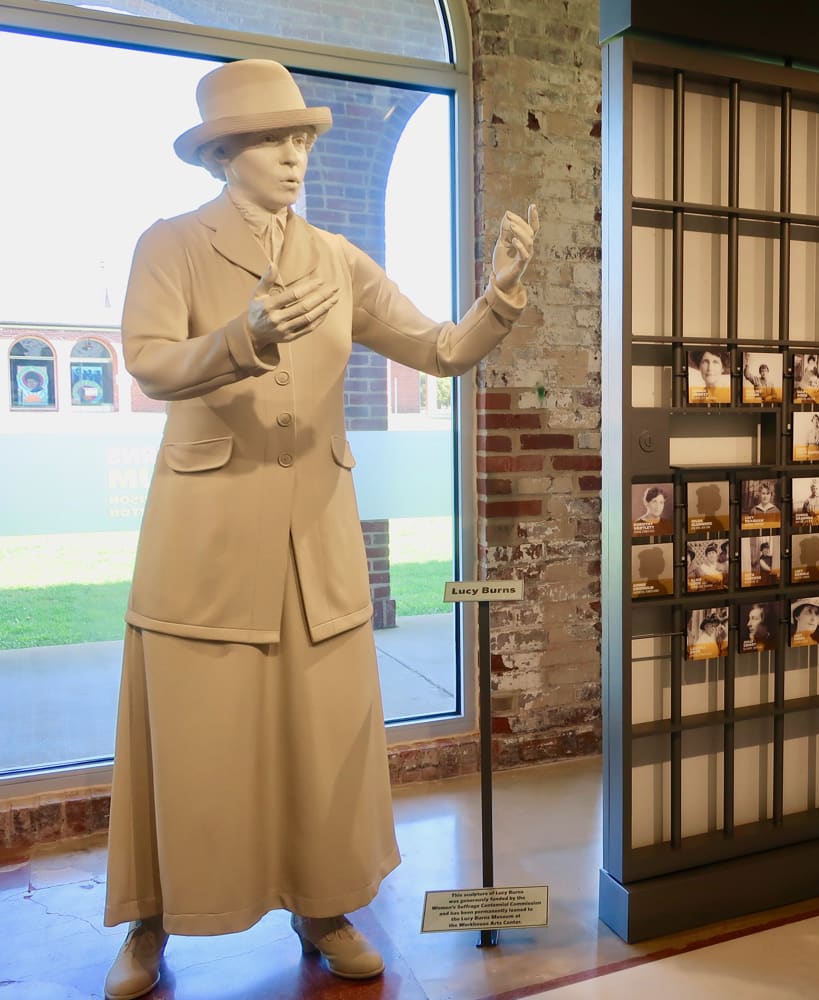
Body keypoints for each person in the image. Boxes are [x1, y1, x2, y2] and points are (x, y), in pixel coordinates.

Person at [101, 59, 538, 1000]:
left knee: (324, 733)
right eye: (272, 138)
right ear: (223, 153)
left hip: (318, 541)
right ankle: (150, 916)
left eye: (302, 138)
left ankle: (326, 902)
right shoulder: (169, 244)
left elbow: (438, 350)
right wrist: (240, 338)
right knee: (192, 734)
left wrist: (497, 298)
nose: (295, 154)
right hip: (204, 538)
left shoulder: (336, 259)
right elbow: (147, 365)